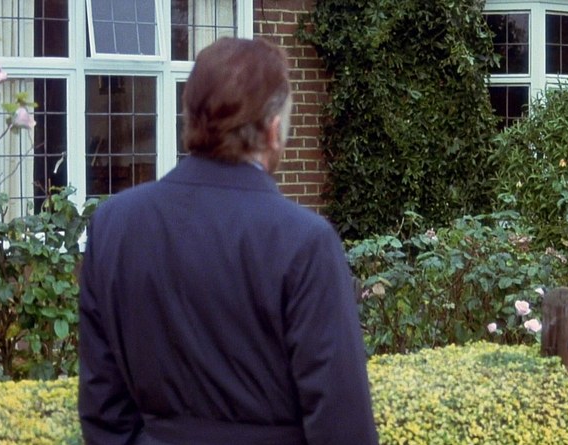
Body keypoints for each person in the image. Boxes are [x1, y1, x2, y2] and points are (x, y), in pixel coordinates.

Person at [78, 37, 379, 445]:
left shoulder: (114, 225)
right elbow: (342, 425)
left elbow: (103, 410)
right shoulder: (304, 242)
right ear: (273, 130)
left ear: (190, 119)